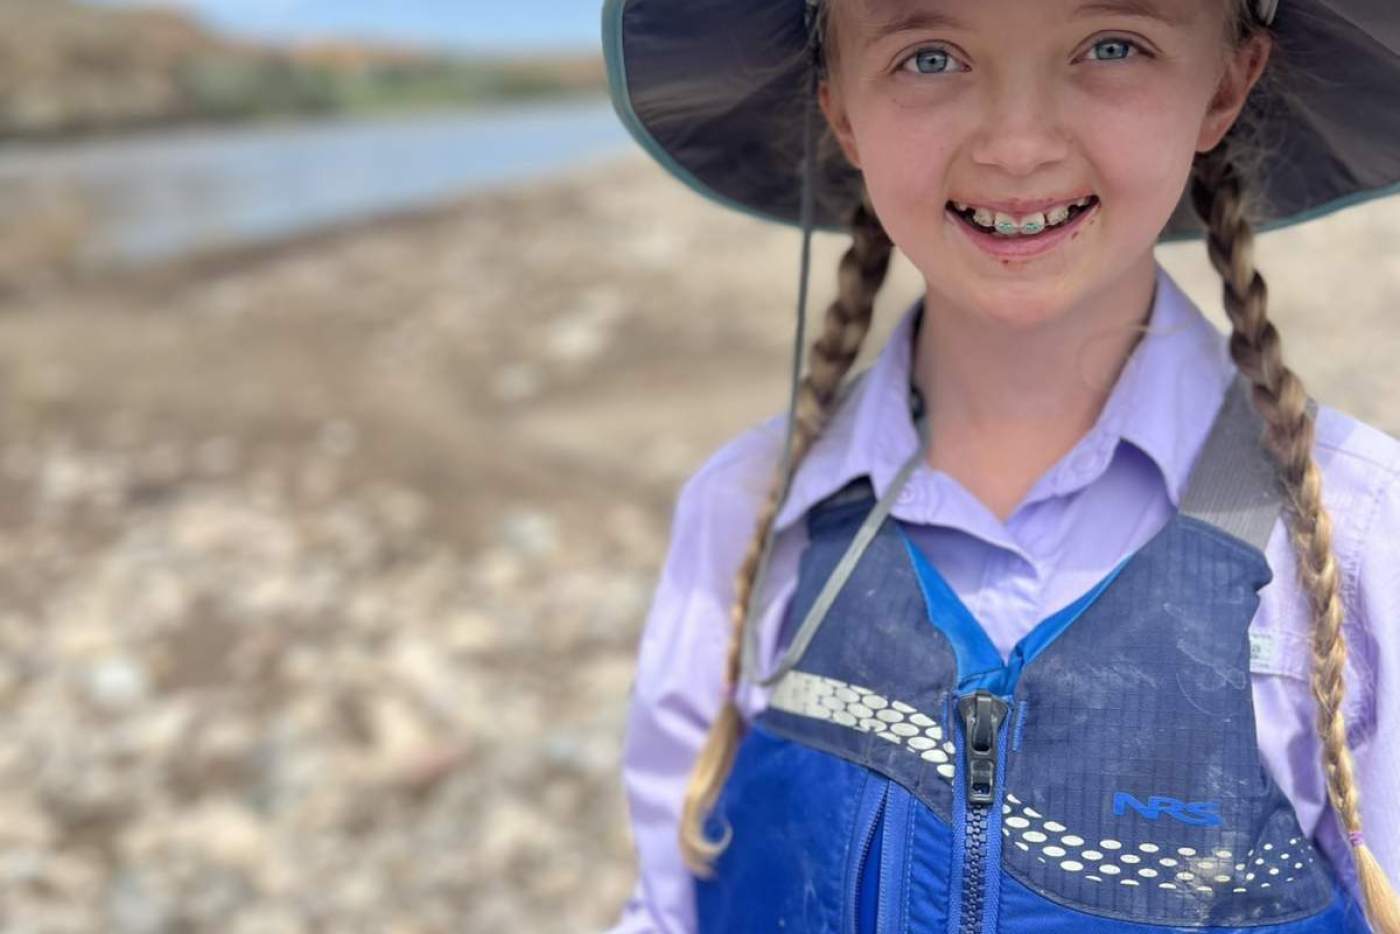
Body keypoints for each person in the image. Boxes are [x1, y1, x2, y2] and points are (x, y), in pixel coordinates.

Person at [600, 0, 1400, 930]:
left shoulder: (1366, 536)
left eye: (1113, 46)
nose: (1017, 147)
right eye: (931, 57)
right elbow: (667, 908)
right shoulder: (747, 513)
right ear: (841, 106)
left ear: (1224, 83)